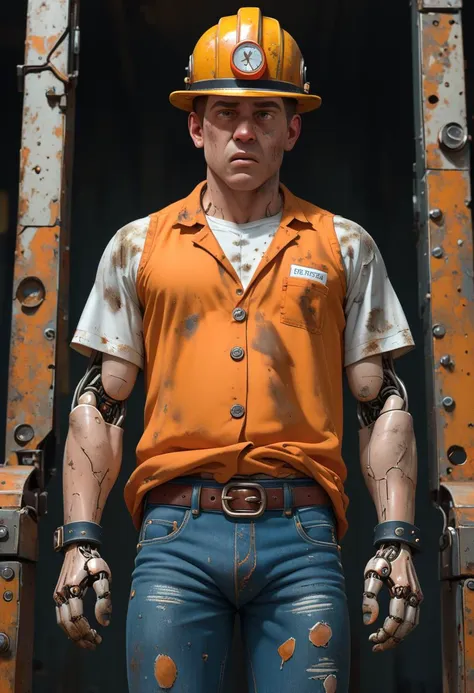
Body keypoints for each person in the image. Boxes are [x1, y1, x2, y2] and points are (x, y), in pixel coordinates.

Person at [53, 8, 423, 692]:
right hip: (175, 536)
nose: (245, 129)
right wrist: (80, 537)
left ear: (294, 126)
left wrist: (395, 536)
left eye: (265, 111)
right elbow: (101, 399)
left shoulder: (343, 245)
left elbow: (381, 399)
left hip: (302, 536)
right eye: (225, 112)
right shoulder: (141, 246)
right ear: (197, 126)